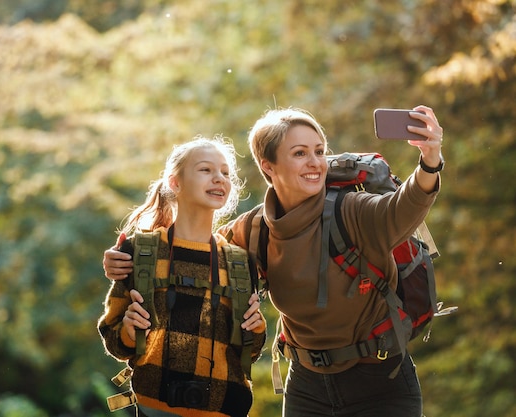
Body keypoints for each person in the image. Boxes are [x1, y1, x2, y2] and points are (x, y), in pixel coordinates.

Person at [104, 105, 443, 417]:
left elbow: (406, 205)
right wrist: (127, 258)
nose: (315, 162)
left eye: (319, 151)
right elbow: (193, 252)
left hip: (381, 381)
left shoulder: (353, 211)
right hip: (306, 387)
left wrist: (430, 161)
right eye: (299, 153)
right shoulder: (253, 230)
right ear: (268, 165)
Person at [98, 135, 266, 417]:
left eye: (225, 173)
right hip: (155, 409)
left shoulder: (239, 262)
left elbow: (248, 354)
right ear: (175, 183)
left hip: (226, 409)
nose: (219, 178)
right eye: (206, 170)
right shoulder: (139, 252)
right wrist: (128, 330)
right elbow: (115, 341)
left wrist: (256, 330)